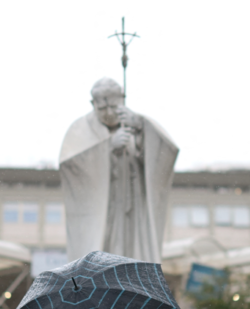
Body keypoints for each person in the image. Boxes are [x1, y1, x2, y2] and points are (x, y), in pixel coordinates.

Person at [59, 77, 178, 263]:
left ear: (122, 99)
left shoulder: (134, 125)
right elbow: (72, 167)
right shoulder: (80, 131)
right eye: (102, 108)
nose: (108, 113)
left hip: (132, 210)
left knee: (131, 253)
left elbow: (163, 157)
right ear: (92, 104)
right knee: (104, 253)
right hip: (103, 211)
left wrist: (141, 129)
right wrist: (107, 149)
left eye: (113, 107)